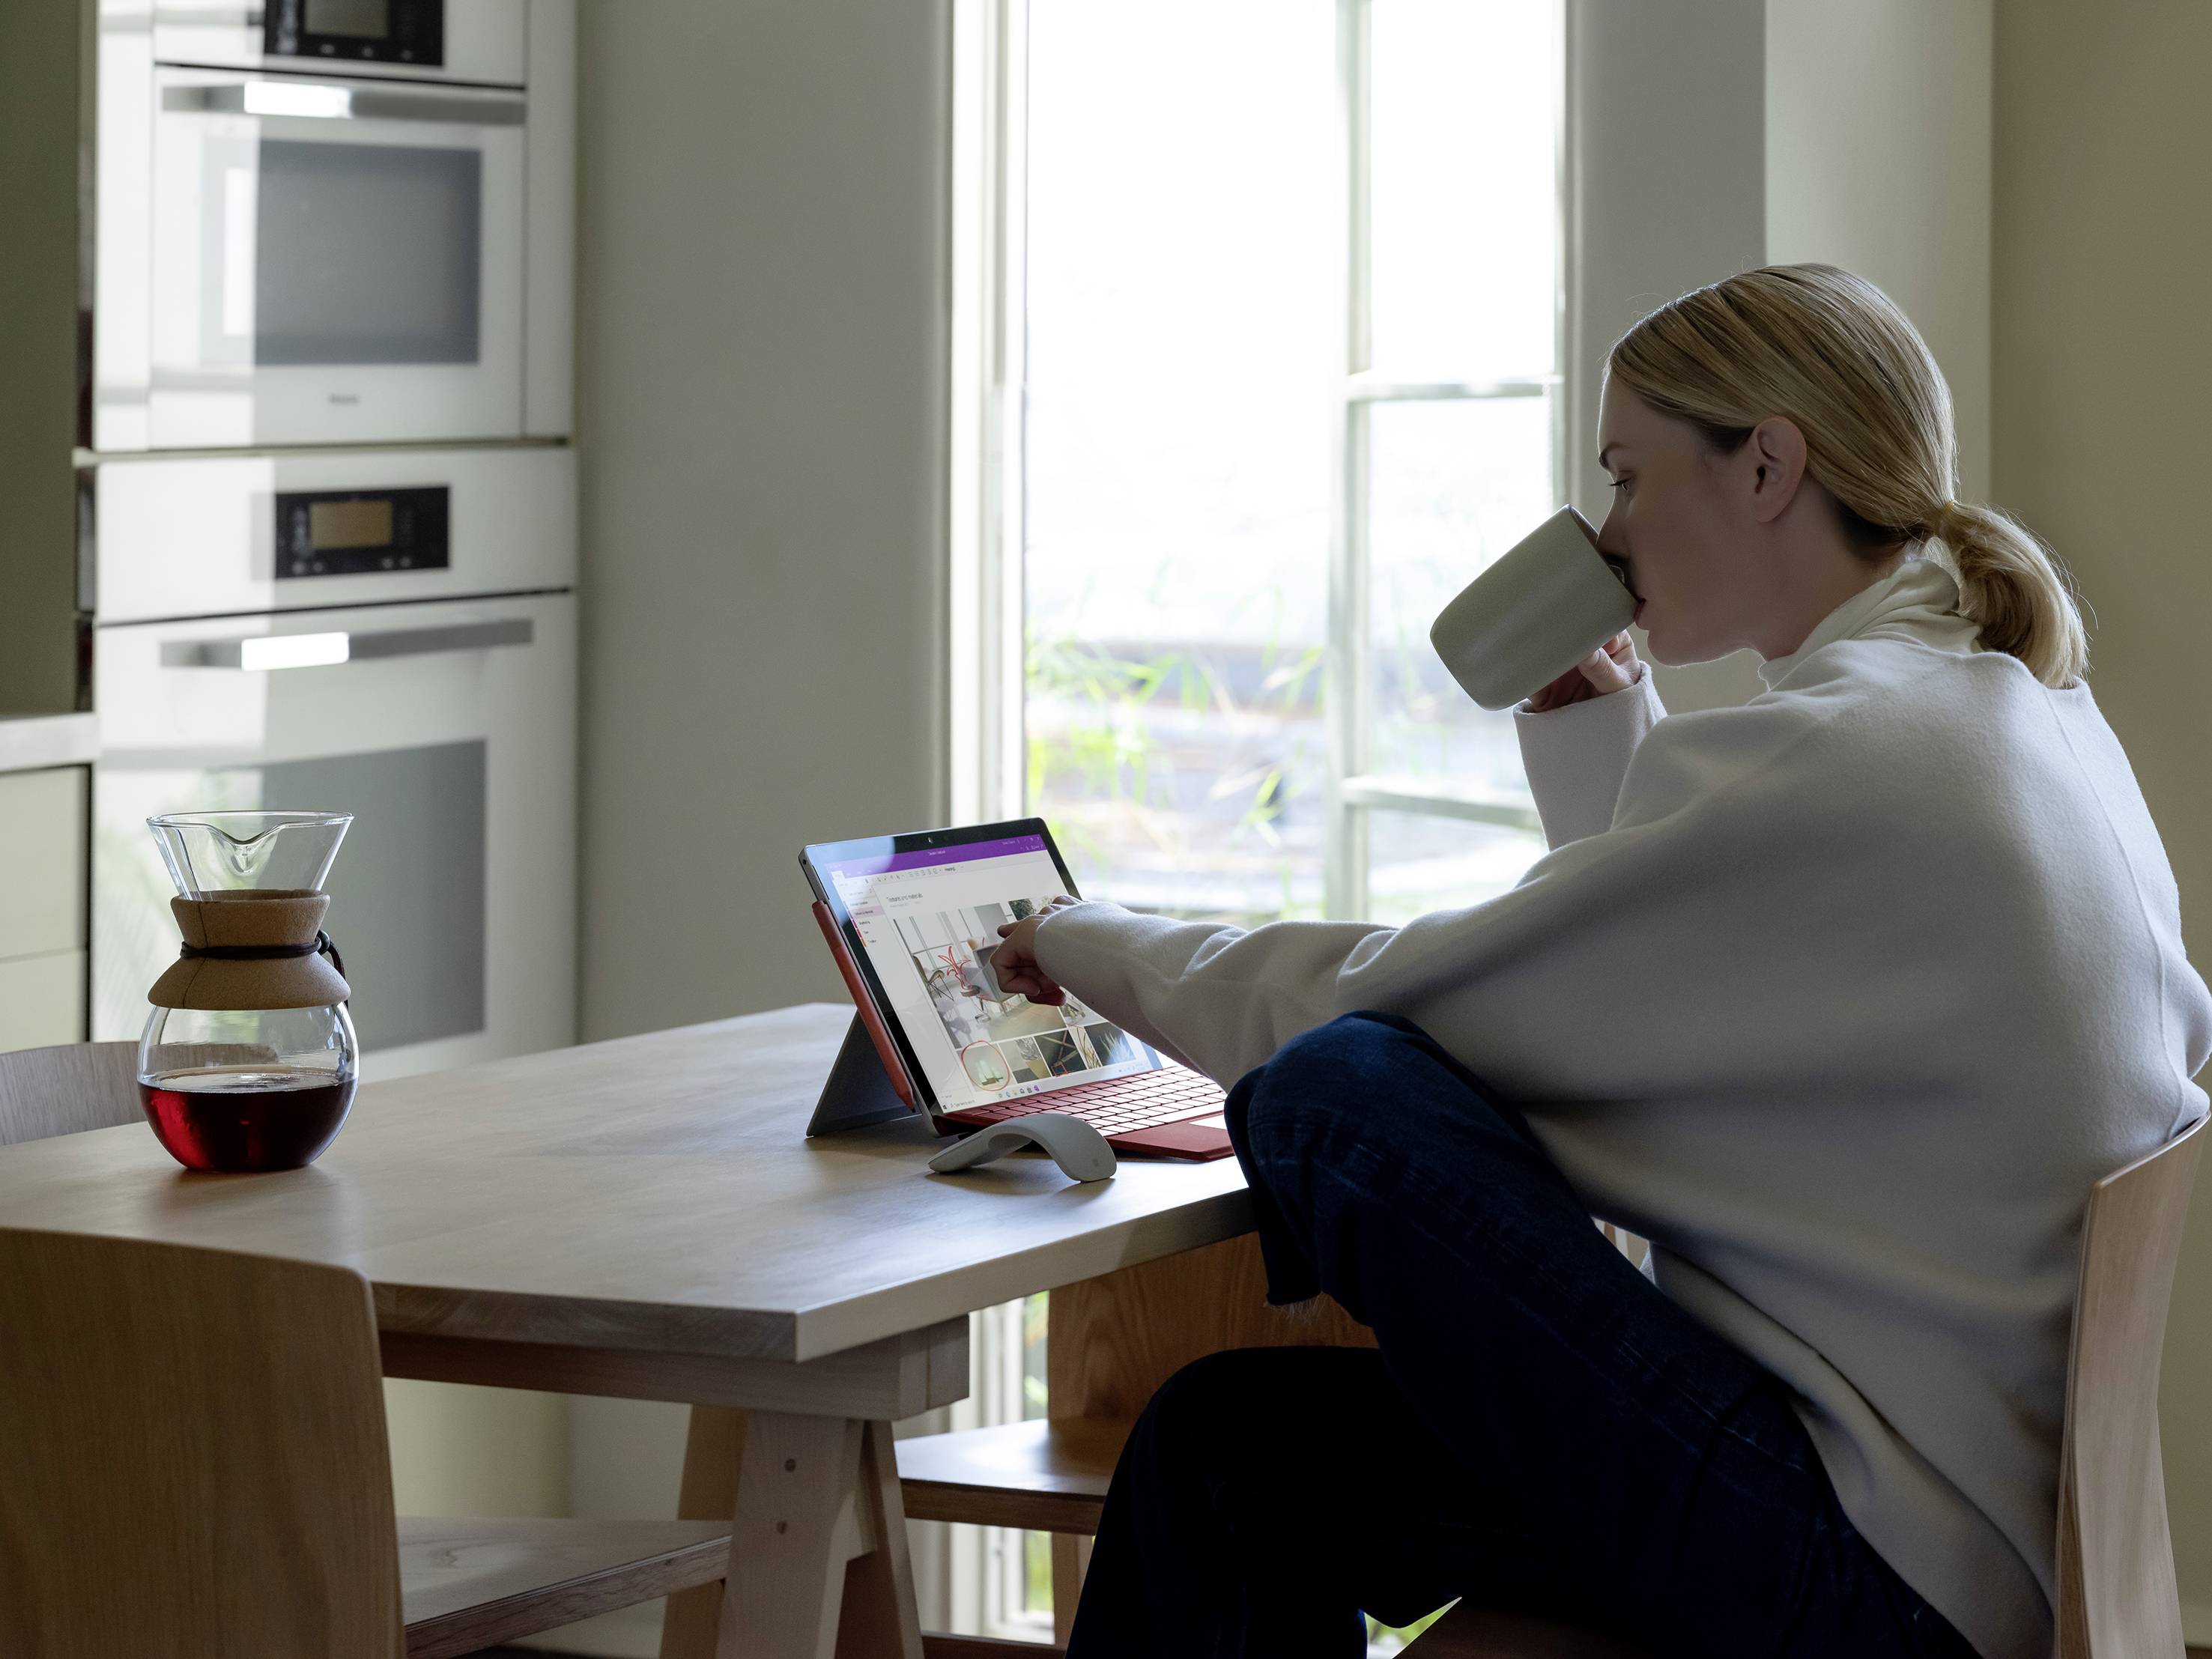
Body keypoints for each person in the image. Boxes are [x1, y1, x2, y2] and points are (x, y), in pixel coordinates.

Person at [986, 264, 2212, 1659]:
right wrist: (1601, 738)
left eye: (1628, 477)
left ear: (1765, 465)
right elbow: (1670, 1007)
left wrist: (1076, 939)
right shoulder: (2007, 710)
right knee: (1230, 1446)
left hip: (1872, 1574)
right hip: (1969, 1537)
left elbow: (1393, 1002)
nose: (1613, 533)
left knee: (1333, 1091)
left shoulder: (1847, 756)